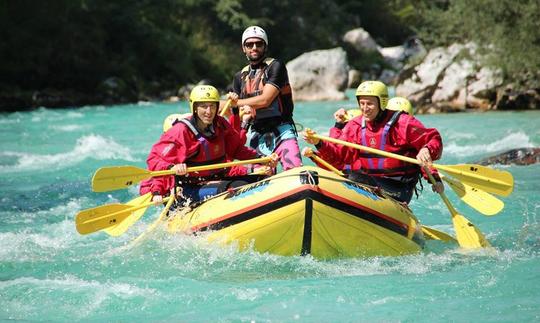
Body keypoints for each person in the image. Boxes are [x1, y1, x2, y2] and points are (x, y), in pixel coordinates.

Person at [303, 81, 444, 204]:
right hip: (368, 182)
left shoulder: (403, 122)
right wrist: (319, 143)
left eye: (369, 103)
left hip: (399, 188)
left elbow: (433, 138)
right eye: (362, 103)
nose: (364, 108)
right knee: (349, 176)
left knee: (354, 178)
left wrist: (427, 151)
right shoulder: (355, 125)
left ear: (382, 103)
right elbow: (339, 157)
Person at [143, 85, 276, 204]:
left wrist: (263, 158)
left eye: (212, 106)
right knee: (234, 187)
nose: (209, 111)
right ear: (194, 108)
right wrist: (172, 166)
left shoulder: (220, 124)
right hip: (190, 188)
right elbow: (153, 159)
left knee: (261, 178)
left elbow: (237, 150)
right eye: (203, 106)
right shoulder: (180, 131)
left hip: (219, 178)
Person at [226, 26, 302, 171]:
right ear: (244, 48)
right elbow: (233, 113)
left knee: (295, 172)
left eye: (259, 44)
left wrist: (237, 103)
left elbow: (265, 100)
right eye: (249, 44)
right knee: (259, 178)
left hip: (282, 130)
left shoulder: (275, 66)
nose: (254, 48)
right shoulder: (239, 76)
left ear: (265, 46)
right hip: (257, 134)